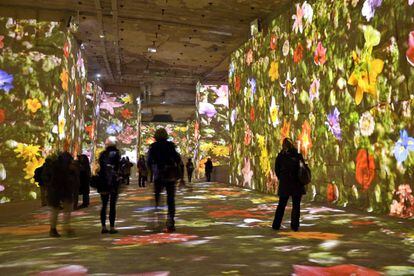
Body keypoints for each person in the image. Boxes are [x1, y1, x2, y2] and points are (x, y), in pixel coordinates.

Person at [147, 128, 181, 232]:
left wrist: (150, 174)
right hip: (170, 175)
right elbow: (177, 159)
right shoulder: (170, 145)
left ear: (156, 136)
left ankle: (159, 220)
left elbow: (149, 161)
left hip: (159, 175)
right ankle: (170, 221)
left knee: (158, 197)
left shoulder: (153, 147)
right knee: (170, 199)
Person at [272, 138, 306, 232]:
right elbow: (303, 168)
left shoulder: (281, 156)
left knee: (281, 205)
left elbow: (277, 169)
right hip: (297, 184)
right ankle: (295, 226)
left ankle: (276, 225)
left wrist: (282, 178)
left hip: (285, 184)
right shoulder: (298, 155)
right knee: (296, 206)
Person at [48, 141, 77, 237]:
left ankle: (56, 229)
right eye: (71, 163)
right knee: (62, 210)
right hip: (60, 191)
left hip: (56, 192)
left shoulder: (57, 167)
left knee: (57, 211)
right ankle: (62, 229)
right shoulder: (64, 172)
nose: (72, 165)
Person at [98, 136, 121, 234]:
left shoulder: (102, 154)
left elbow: (100, 167)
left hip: (103, 181)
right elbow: (118, 166)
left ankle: (103, 227)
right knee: (112, 205)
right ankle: (112, 227)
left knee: (104, 205)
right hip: (113, 182)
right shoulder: (117, 153)